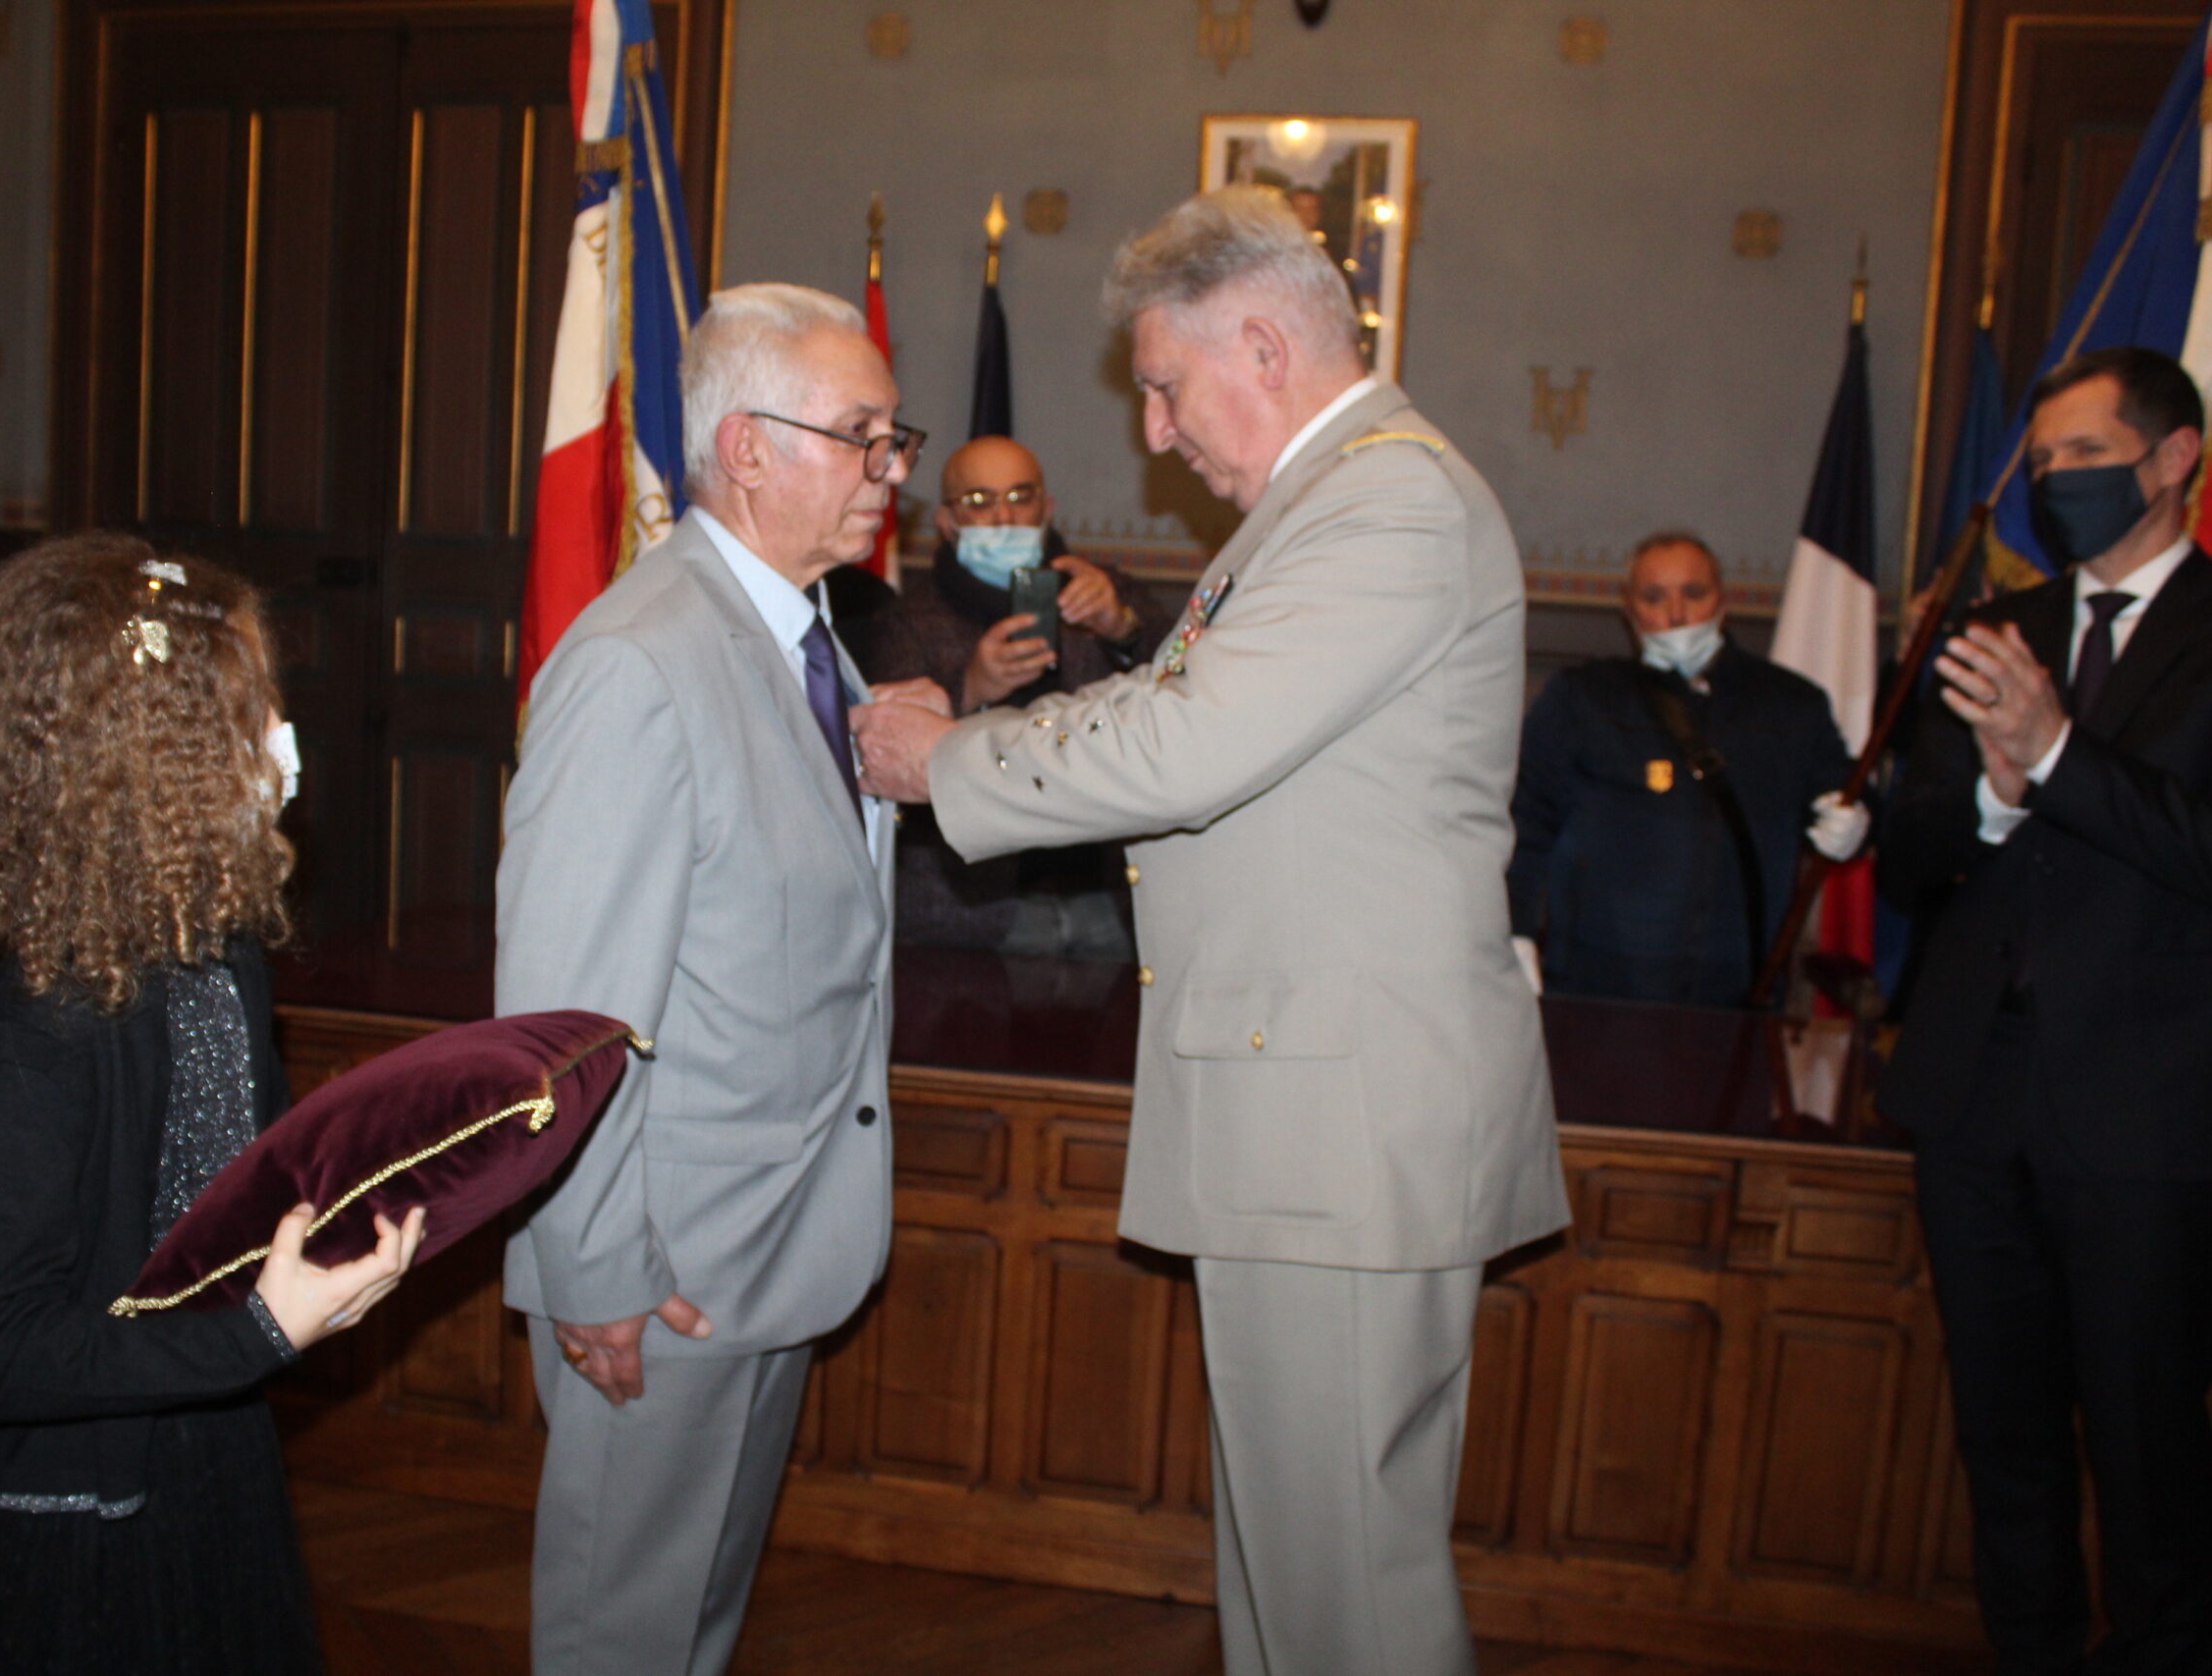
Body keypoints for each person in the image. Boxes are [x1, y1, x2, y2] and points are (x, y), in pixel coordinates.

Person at [852, 187, 1569, 1676]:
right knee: (1297, 1566)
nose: (1159, 431)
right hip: (1314, 1109)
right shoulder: (1331, 506)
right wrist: (989, 724)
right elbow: (1178, 709)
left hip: (1341, 1122)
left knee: (1345, 1591)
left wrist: (952, 763)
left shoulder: (1386, 500)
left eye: (1167, 386)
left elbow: (1190, 743)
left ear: (1261, 341)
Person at [0, 533, 425, 1676]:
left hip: (215, 1459)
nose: (283, 741)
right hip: (76, 1531)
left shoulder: (219, 964)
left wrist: (321, 1262)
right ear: (156, 770)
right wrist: (257, 1332)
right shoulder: (25, 1044)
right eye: (256, 713)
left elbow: (240, 1193)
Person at [495, 282, 906, 1676]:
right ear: (746, 446)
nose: (887, 470)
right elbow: (565, 1013)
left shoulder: (799, 632)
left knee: (692, 1626)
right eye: (860, 436)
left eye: (888, 437)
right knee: (622, 1632)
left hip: (763, 1242)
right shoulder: (638, 659)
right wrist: (591, 1267)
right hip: (658, 1272)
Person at [1880, 344, 2212, 1676]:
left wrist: (2059, 752)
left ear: (2174, 456)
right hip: (1973, 1099)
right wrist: (1994, 794)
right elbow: (1908, 860)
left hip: (2144, 1113)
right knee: (2003, 1434)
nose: (2057, 481)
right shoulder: (1995, 627)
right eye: (2046, 460)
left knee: (2145, 1447)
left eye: (2087, 454)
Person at [1506, 531, 1866, 1007]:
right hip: (1599, 987)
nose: (1676, 614)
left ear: (1724, 599)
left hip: (1739, 994)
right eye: (1654, 597)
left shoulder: (1791, 705)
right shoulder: (1582, 699)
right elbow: (1524, 823)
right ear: (1629, 609)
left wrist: (1857, 820)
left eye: (1694, 594)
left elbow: (1843, 793)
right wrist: (1514, 932)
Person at [864, 434, 1166, 954]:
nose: (1004, 517)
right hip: (975, 908)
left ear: (1046, 509)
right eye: (979, 502)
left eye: (1020, 496)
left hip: (1103, 885)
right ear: (946, 522)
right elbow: (881, 753)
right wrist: (971, 692)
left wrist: (1122, 629)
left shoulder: (1103, 590)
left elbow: (1182, 697)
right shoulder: (907, 619)